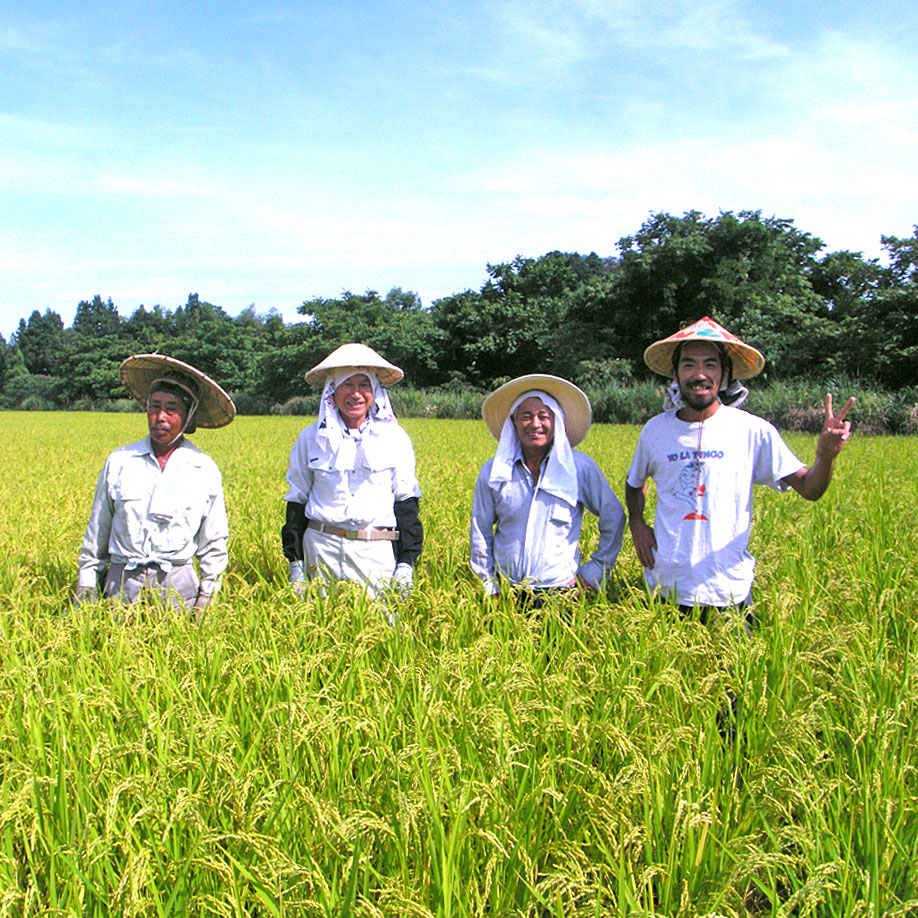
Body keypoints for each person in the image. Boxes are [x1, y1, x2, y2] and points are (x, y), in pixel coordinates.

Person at [625, 316, 855, 618]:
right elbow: (634, 482)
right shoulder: (655, 431)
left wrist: (825, 456)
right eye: (689, 364)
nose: (700, 375)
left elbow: (810, 489)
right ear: (675, 373)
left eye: (710, 365)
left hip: (727, 590)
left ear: (725, 374)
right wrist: (638, 523)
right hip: (665, 587)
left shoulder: (752, 431)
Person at [76, 354, 235, 613]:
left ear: (189, 417)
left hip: (177, 585)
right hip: (122, 582)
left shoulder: (203, 469)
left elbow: (214, 540)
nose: (160, 416)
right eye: (155, 406)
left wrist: (207, 594)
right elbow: (98, 529)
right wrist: (87, 586)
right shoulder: (120, 461)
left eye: (172, 409)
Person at [282, 343, 423, 599]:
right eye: (347, 384)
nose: (356, 394)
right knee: (319, 625)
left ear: (375, 391)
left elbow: (406, 501)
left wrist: (406, 563)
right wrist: (295, 563)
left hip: (375, 551)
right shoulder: (311, 438)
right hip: (321, 548)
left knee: (381, 627)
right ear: (332, 392)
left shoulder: (394, 438)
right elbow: (296, 502)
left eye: (364, 385)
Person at [470, 374, 625, 600]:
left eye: (544, 416)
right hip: (506, 591)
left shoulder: (580, 468)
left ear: (556, 423)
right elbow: (480, 530)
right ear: (513, 422)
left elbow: (614, 516)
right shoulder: (494, 471)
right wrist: (487, 584)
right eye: (526, 416)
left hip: (561, 592)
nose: (535, 424)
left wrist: (595, 572)